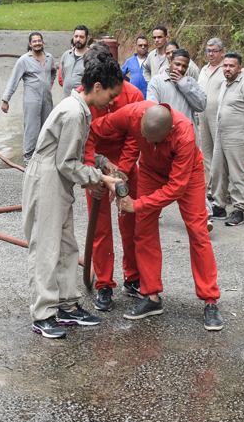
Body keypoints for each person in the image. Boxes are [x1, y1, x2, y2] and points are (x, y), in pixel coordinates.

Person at [89, 102, 225, 331]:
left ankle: (210, 300)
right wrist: (93, 170)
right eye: (143, 136)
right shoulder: (132, 113)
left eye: (152, 141)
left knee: (198, 232)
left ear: (168, 132)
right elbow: (93, 128)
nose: (146, 142)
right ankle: (151, 296)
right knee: (143, 231)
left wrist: (138, 204)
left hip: (187, 176)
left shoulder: (185, 135)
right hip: (151, 171)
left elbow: (175, 189)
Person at [24, 60, 124, 339]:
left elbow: (74, 156)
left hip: (58, 179)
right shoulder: (72, 113)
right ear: (97, 87)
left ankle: (66, 304)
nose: (111, 102)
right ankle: (43, 314)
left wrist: (101, 163)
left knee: (67, 245)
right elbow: (67, 163)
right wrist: (100, 179)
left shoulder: (81, 109)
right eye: (111, 96)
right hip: (48, 178)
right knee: (46, 247)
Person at [79, 43, 145, 312]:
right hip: (94, 162)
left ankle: (134, 277)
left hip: (125, 162)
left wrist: (122, 172)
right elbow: (83, 141)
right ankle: (104, 283)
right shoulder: (82, 100)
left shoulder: (133, 95)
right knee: (100, 227)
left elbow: (135, 137)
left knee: (132, 222)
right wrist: (93, 178)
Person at [145, 48, 214, 231]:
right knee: (157, 178)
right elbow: (152, 108)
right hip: (163, 140)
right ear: (170, 63)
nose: (180, 68)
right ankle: (150, 211)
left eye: (184, 66)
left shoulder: (190, 82)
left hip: (188, 141)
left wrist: (184, 84)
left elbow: (201, 105)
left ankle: (204, 217)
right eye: (177, 64)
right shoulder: (157, 82)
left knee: (194, 180)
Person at [209, 52, 244, 227]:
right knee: (218, 171)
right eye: (225, 65)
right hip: (221, 133)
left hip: (238, 135)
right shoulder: (225, 84)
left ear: (240, 68)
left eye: (231, 66)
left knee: (237, 173)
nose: (227, 69)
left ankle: (239, 209)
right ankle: (219, 206)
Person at [1, 32, 57, 164]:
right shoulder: (24, 60)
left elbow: (53, 71)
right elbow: (13, 80)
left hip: (47, 101)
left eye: (39, 41)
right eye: (34, 41)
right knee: (31, 130)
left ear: (43, 42)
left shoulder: (49, 57)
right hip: (31, 101)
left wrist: (49, 83)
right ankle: (28, 160)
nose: (37, 43)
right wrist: (5, 100)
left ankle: (43, 159)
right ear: (30, 44)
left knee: (47, 129)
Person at [198, 38, 226, 193]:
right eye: (208, 51)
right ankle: (212, 186)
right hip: (203, 117)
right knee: (207, 153)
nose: (211, 54)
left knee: (219, 154)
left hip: (218, 118)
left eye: (214, 51)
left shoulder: (226, 69)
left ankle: (223, 189)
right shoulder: (203, 70)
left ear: (221, 52)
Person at [59, 25, 89, 97]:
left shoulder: (92, 57)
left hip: (82, 100)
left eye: (81, 37)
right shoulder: (66, 55)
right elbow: (63, 76)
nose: (78, 39)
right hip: (66, 99)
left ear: (87, 38)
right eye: (76, 36)